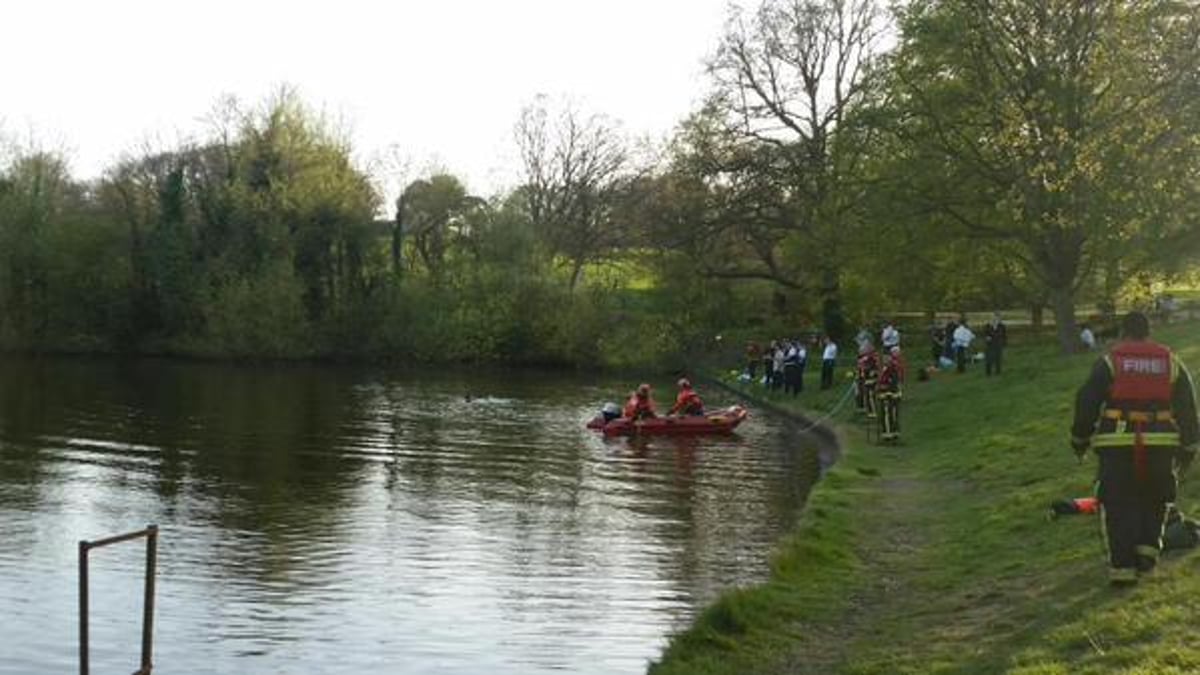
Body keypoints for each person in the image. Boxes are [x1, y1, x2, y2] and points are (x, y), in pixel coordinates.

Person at [1070, 311, 1199, 585]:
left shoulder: (1111, 362)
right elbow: (1188, 407)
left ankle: (1122, 570)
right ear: (1148, 332)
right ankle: (1147, 560)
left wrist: (1079, 439)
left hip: (1117, 444)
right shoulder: (1170, 362)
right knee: (1156, 500)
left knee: (1118, 504)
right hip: (1161, 444)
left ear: (1122, 333)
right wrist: (1189, 446)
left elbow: (1087, 401)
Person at [878, 350, 903, 443]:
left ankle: (889, 434)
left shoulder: (892, 368)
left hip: (890, 395)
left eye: (886, 358)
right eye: (883, 358)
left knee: (889, 415)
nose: (884, 360)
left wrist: (884, 387)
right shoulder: (884, 368)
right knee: (888, 415)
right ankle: (891, 433)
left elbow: (893, 383)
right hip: (885, 394)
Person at [855, 343, 880, 418]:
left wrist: (867, 372)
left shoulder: (873, 358)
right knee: (862, 393)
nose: (861, 352)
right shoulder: (862, 358)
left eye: (862, 351)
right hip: (863, 379)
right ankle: (865, 409)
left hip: (870, 380)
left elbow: (874, 369)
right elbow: (860, 368)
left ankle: (873, 411)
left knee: (870, 396)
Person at [983, 312, 1008, 376]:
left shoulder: (1002, 326)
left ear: (999, 319)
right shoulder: (988, 326)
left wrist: (1004, 344)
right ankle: (988, 373)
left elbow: (1004, 335)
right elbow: (985, 334)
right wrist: (987, 337)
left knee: (998, 359)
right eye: (994, 318)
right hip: (990, 344)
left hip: (998, 344)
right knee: (989, 359)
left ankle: (998, 372)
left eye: (998, 318)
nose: (996, 319)